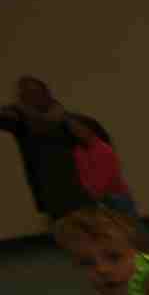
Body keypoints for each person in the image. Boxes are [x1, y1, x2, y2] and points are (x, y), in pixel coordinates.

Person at [3, 76, 107, 218]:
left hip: (87, 197)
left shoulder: (73, 121)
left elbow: (96, 146)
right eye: (25, 95)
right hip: (54, 201)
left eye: (35, 93)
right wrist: (16, 108)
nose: (31, 99)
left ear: (47, 94)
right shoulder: (23, 125)